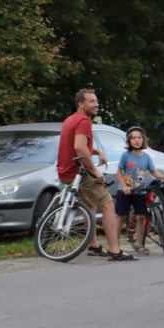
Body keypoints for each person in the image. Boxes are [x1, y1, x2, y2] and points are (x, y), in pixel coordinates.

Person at [56, 89, 136, 261]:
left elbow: (78, 145)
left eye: (96, 101)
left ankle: (94, 246)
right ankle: (115, 250)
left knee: (90, 205)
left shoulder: (70, 119)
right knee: (107, 205)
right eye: (91, 101)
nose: (96, 104)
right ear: (81, 104)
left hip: (66, 171)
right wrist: (95, 170)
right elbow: (79, 147)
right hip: (79, 173)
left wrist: (97, 151)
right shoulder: (84, 120)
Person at [115, 127, 164, 254]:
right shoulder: (126, 156)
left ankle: (139, 243)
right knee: (121, 217)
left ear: (143, 140)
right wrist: (124, 187)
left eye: (139, 138)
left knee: (141, 217)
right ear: (129, 141)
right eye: (133, 138)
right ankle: (115, 245)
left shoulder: (146, 157)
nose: (136, 140)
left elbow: (154, 172)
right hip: (125, 191)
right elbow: (119, 173)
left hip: (140, 192)